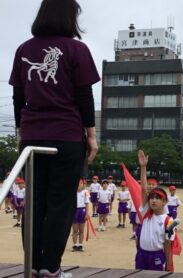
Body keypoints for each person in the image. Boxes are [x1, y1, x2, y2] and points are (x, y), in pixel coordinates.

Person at [9, 0, 99, 276]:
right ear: (69, 16)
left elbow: (18, 98)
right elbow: (84, 95)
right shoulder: (77, 49)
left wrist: (20, 132)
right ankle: (51, 269)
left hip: (32, 137)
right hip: (67, 137)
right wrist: (91, 135)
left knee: (34, 205)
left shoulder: (24, 48)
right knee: (60, 203)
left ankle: (33, 268)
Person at [136, 149, 175, 271]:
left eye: (157, 198)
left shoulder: (169, 221)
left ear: (164, 202)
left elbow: (168, 245)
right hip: (141, 255)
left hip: (157, 257)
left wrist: (168, 266)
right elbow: (143, 189)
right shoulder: (146, 212)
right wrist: (143, 167)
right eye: (151, 197)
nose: (153, 200)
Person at [71, 179, 90, 252]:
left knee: (81, 230)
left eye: (81, 183)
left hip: (82, 211)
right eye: (78, 183)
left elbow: (87, 203)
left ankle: (80, 245)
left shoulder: (85, 192)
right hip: (75, 210)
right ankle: (75, 245)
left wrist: (87, 213)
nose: (79, 185)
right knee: (75, 230)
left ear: (83, 185)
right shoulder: (73, 193)